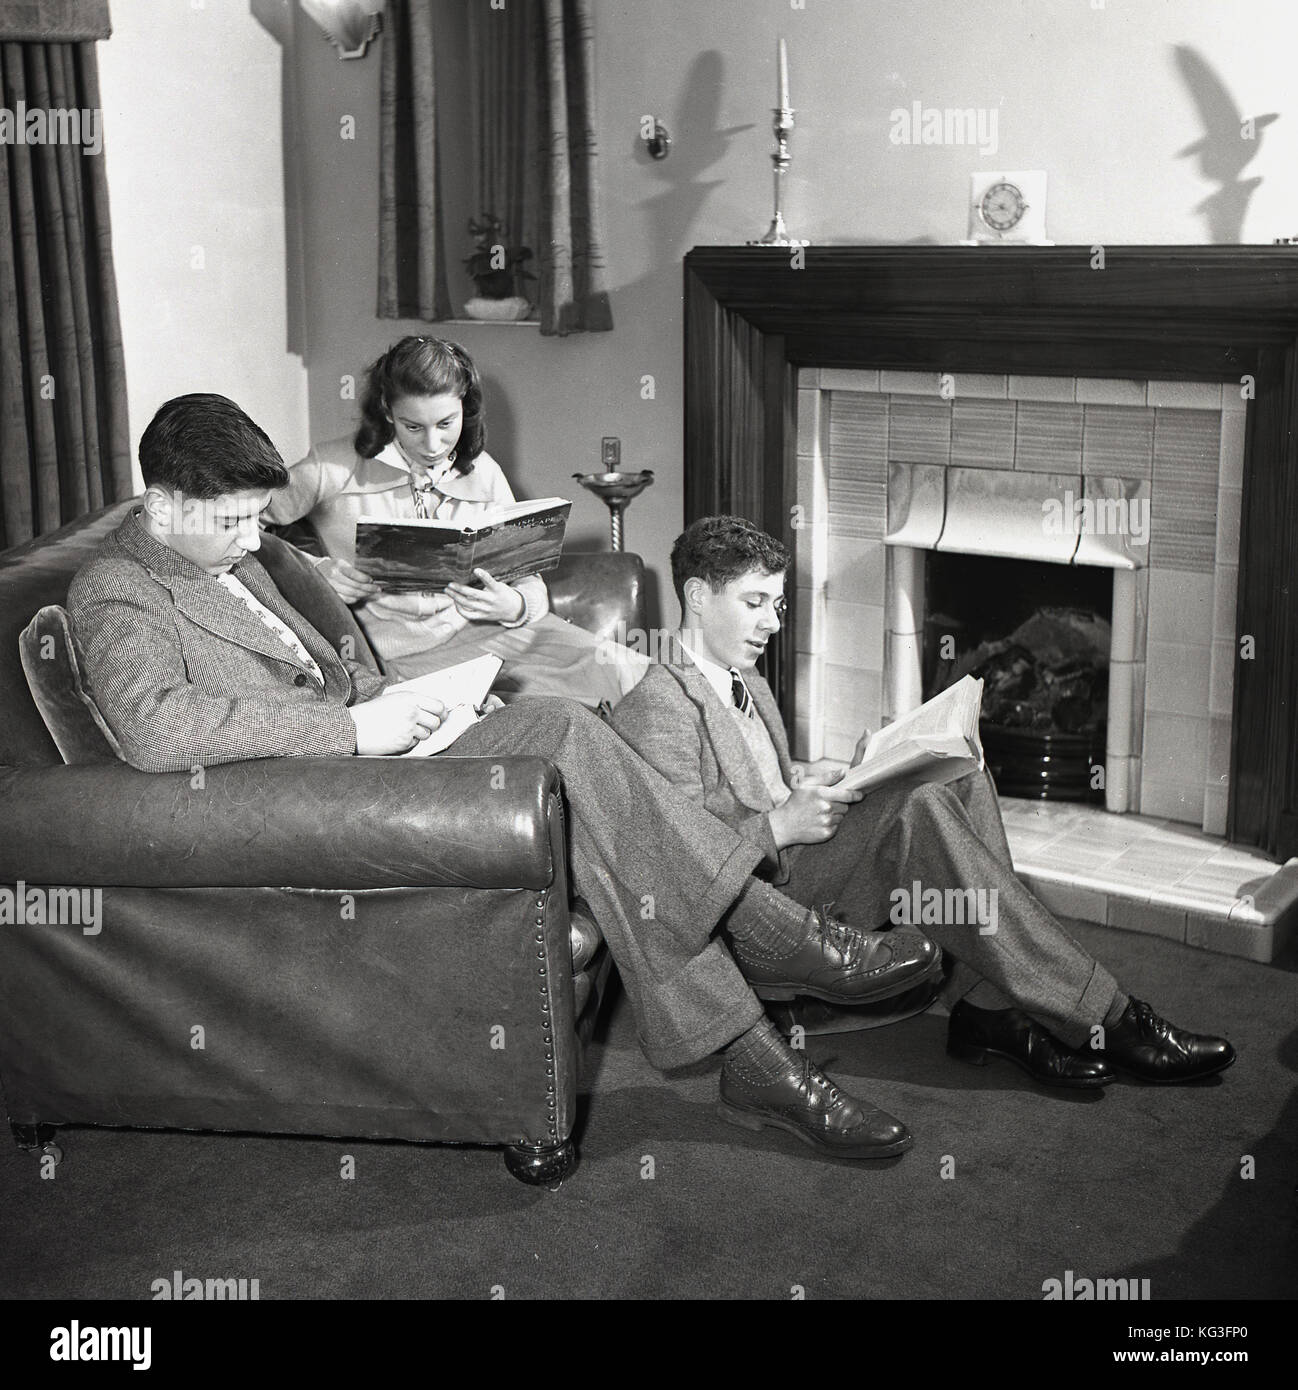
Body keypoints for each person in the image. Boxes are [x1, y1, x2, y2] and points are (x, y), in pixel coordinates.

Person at [67, 394, 947, 1163]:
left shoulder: (241, 561)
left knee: (588, 789)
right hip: (318, 800)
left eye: (259, 517)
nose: (253, 537)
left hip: (380, 746)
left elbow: (336, 671)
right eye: (231, 520)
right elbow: (154, 726)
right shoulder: (120, 588)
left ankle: (759, 1063)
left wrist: (423, 701)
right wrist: (352, 728)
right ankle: (780, 938)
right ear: (161, 503)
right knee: (565, 729)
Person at [610, 515, 1236, 1092]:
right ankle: (1110, 1015)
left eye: (775, 604)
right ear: (696, 597)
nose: (772, 623)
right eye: (753, 604)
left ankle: (988, 1008)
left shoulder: (749, 681)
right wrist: (778, 825)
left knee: (957, 775)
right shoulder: (658, 704)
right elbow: (675, 868)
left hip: (804, 863)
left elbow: (760, 778)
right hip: (763, 909)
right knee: (918, 811)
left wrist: (837, 774)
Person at [264, 335, 647, 705]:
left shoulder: (484, 471)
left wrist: (513, 604)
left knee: (629, 673)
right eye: (413, 426)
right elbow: (245, 527)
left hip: (493, 631)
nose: (432, 445)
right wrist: (316, 573)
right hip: (397, 653)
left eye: (446, 423)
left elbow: (528, 579)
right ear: (386, 410)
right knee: (554, 707)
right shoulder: (331, 467)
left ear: (466, 407)